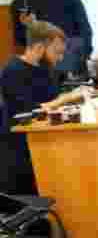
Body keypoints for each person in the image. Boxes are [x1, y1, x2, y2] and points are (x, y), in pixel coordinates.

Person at [1, 21, 91, 194]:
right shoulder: (13, 71)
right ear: (39, 48)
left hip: (47, 140)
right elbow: (28, 112)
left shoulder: (46, 69)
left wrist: (73, 97)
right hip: (22, 153)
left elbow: (52, 101)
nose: (60, 58)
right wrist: (65, 99)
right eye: (57, 52)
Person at [9, 0, 93, 79]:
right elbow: (21, 43)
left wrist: (80, 58)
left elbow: (85, 30)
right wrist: (28, 27)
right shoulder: (19, 5)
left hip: (75, 64)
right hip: (43, 70)